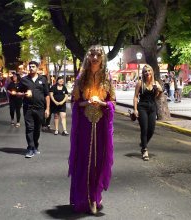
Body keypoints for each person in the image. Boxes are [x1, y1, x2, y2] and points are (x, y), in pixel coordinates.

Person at [69, 45, 115, 214]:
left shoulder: (107, 77)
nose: (95, 57)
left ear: (102, 58)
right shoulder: (81, 77)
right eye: (92, 54)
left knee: (98, 160)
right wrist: (87, 102)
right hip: (85, 126)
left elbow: (112, 103)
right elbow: (75, 103)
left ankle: (95, 197)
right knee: (84, 159)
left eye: (98, 54)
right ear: (88, 57)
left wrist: (103, 103)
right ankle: (84, 197)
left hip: (101, 125)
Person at [19, 61, 50, 158]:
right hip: (28, 108)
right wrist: (24, 94)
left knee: (37, 129)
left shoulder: (43, 79)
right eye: (30, 67)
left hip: (40, 108)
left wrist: (47, 109)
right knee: (29, 128)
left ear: (37, 68)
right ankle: (30, 148)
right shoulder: (24, 80)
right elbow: (17, 93)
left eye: (33, 66)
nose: (31, 68)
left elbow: (47, 95)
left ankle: (35, 145)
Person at [133, 64, 163, 161]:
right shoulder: (140, 83)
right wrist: (135, 109)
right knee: (144, 129)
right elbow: (136, 96)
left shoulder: (156, 83)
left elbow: (157, 98)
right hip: (142, 107)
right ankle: (144, 149)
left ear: (152, 72)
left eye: (149, 71)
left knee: (151, 129)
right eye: (145, 71)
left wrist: (160, 91)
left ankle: (143, 142)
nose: (147, 73)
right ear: (143, 73)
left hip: (152, 107)